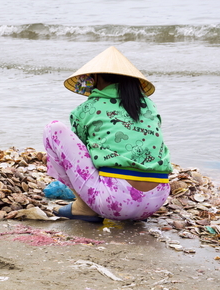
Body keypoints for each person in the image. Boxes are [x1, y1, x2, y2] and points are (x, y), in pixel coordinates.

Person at [43, 46, 173, 223]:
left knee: (53, 128)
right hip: (156, 200)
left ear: (94, 77)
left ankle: (83, 207)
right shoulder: (149, 106)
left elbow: (81, 155)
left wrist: (54, 158)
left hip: (115, 201)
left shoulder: (86, 109)